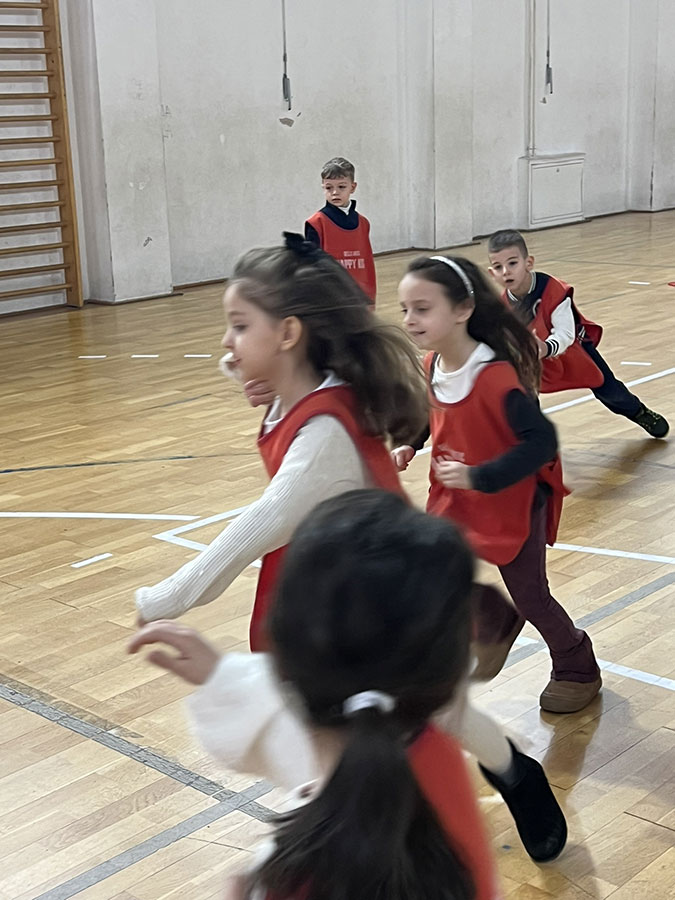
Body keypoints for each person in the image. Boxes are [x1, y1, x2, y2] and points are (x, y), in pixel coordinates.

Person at [130, 492, 568, 872]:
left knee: (438, 723)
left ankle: (513, 771)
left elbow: (267, 516)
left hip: (382, 607)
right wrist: (222, 674)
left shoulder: (290, 867)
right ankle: (514, 770)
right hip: (386, 611)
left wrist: (171, 608)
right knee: (438, 725)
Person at [134, 233, 426, 650]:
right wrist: (247, 367)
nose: (226, 341)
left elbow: (255, 528)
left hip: (363, 608)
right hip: (330, 576)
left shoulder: (323, 437)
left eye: (240, 326)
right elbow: (249, 363)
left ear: (288, 333)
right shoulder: (306, 387)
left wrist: (165, 599)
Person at [394, 255, 603, 714]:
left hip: (513, 494)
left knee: (531, 596)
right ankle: (488, 621)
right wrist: (410, 442)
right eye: (405, 309)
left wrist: (480, 476)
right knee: (424, 566)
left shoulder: (495, 377)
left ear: (463, 309)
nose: (409, 319)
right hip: (454, 492)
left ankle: (576, 664)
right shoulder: (432, 363)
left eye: (422, 308)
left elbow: (541, 442)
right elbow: (432, 411)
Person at [487, 229, 669, 438]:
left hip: (574, 349)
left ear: (529, 263)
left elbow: (565, 333)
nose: (506, 272)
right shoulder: (501, 307)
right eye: (498, 267)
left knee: (610, 390)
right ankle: (533, 438)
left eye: (512, 263)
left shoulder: (552, 289)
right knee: (523, 393)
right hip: (536, 358)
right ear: (492, 273)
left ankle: (639, 412)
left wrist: (545, 347)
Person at [304, 157, 377, 305]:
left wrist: (369, 298)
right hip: (330, 299)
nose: (335, 192)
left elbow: (367, 264)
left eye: (341, 187)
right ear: (323, 187)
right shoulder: (316, 223)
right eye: (329, 188)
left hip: (359, 298)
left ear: (353, 187)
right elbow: (311, 267)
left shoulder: (363, 223)